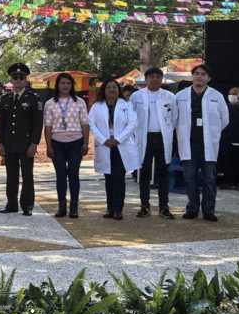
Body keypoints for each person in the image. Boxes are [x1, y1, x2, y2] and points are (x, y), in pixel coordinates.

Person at [175, 64, 229, 221]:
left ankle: (209, 210)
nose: (199, 76)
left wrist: (213, 133)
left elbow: (224, 119)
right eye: (197, 73)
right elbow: (174, 118)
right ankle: (192, 208)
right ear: (192, 76)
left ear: (209, 78)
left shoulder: (217, 96)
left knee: (209, 179)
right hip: (189, 143)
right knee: (189, 177)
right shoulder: (180, 96)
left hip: (208, 144)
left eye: (203, 74)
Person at [0, 63, 44, 216]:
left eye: (21, 77)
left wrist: (34, 144)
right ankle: (11, 204)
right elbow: (1, 124)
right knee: (11, 175)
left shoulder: (34, 98)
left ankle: (27, 205)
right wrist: (0, 143)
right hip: (9, 144)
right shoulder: (5, 98)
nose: (18, 80)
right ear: (11, 80)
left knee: (27, 175)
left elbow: (38, 124)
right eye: (15, 77)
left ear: (25, 79)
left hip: (26, 144)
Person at [89, 80, 139, 220]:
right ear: (104, 90)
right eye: (109, 87)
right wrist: (103, 139)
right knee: (109, 178)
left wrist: (118, 139)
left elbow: (133, 124)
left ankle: (118, 209)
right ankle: (110, 208)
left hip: (121, 145)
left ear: (119, 90)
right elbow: (91, 124)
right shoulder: (97, 106)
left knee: (118, 178)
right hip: (105, 145)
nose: (112, 89)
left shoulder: (126, 105)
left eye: (114, 87)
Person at [132, 67, 178, 218]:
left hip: (162, 138)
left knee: (163, 172)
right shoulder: (136, 96)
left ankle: (164, 207)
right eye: (151, 76)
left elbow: (174, 118)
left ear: (161, 79)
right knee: (144, 172)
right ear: (146, 79)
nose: (155, 79)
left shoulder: (169, 96)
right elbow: (131, 118)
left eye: (158, 77)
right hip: (143, 137)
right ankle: (144, 206)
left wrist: (168, 131)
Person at [43, 73, 90, 219]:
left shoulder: (80, 102)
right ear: (57, 85)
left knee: (73, 174)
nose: (65, 86)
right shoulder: (50, 103)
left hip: (76, 142)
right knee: (61, 175)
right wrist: (49, 146)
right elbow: (48, 126)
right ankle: (61, 206)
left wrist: (86, 143)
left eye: (68, 83)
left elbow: (85, 124)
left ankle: (74, 207)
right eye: (62, 83)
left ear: (72, 86)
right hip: (57, 143)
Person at [221, 87, 239, 190]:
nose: (232, 96)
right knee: (228, 162)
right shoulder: (225, 108)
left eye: (235, 94)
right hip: (228, 140)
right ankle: (228, 181)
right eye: (231, 94)